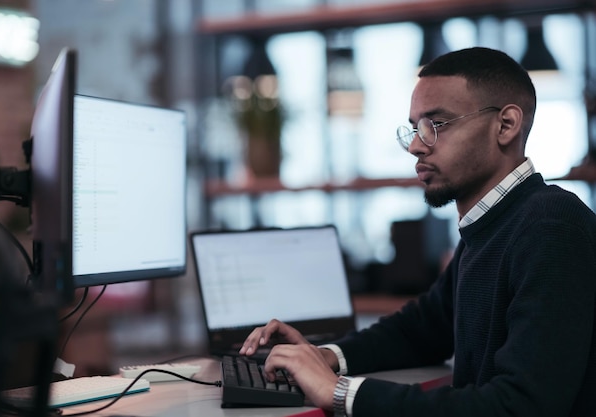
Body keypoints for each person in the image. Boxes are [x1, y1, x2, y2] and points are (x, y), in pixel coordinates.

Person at [239, 47, 596, 417]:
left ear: (505, 125)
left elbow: (520, 407)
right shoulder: (492, 226)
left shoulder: (551, 227)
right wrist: (325, 357)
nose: (414, 146)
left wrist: (341, 393)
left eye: (435, 125)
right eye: (414, 128)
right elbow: (422, 329)